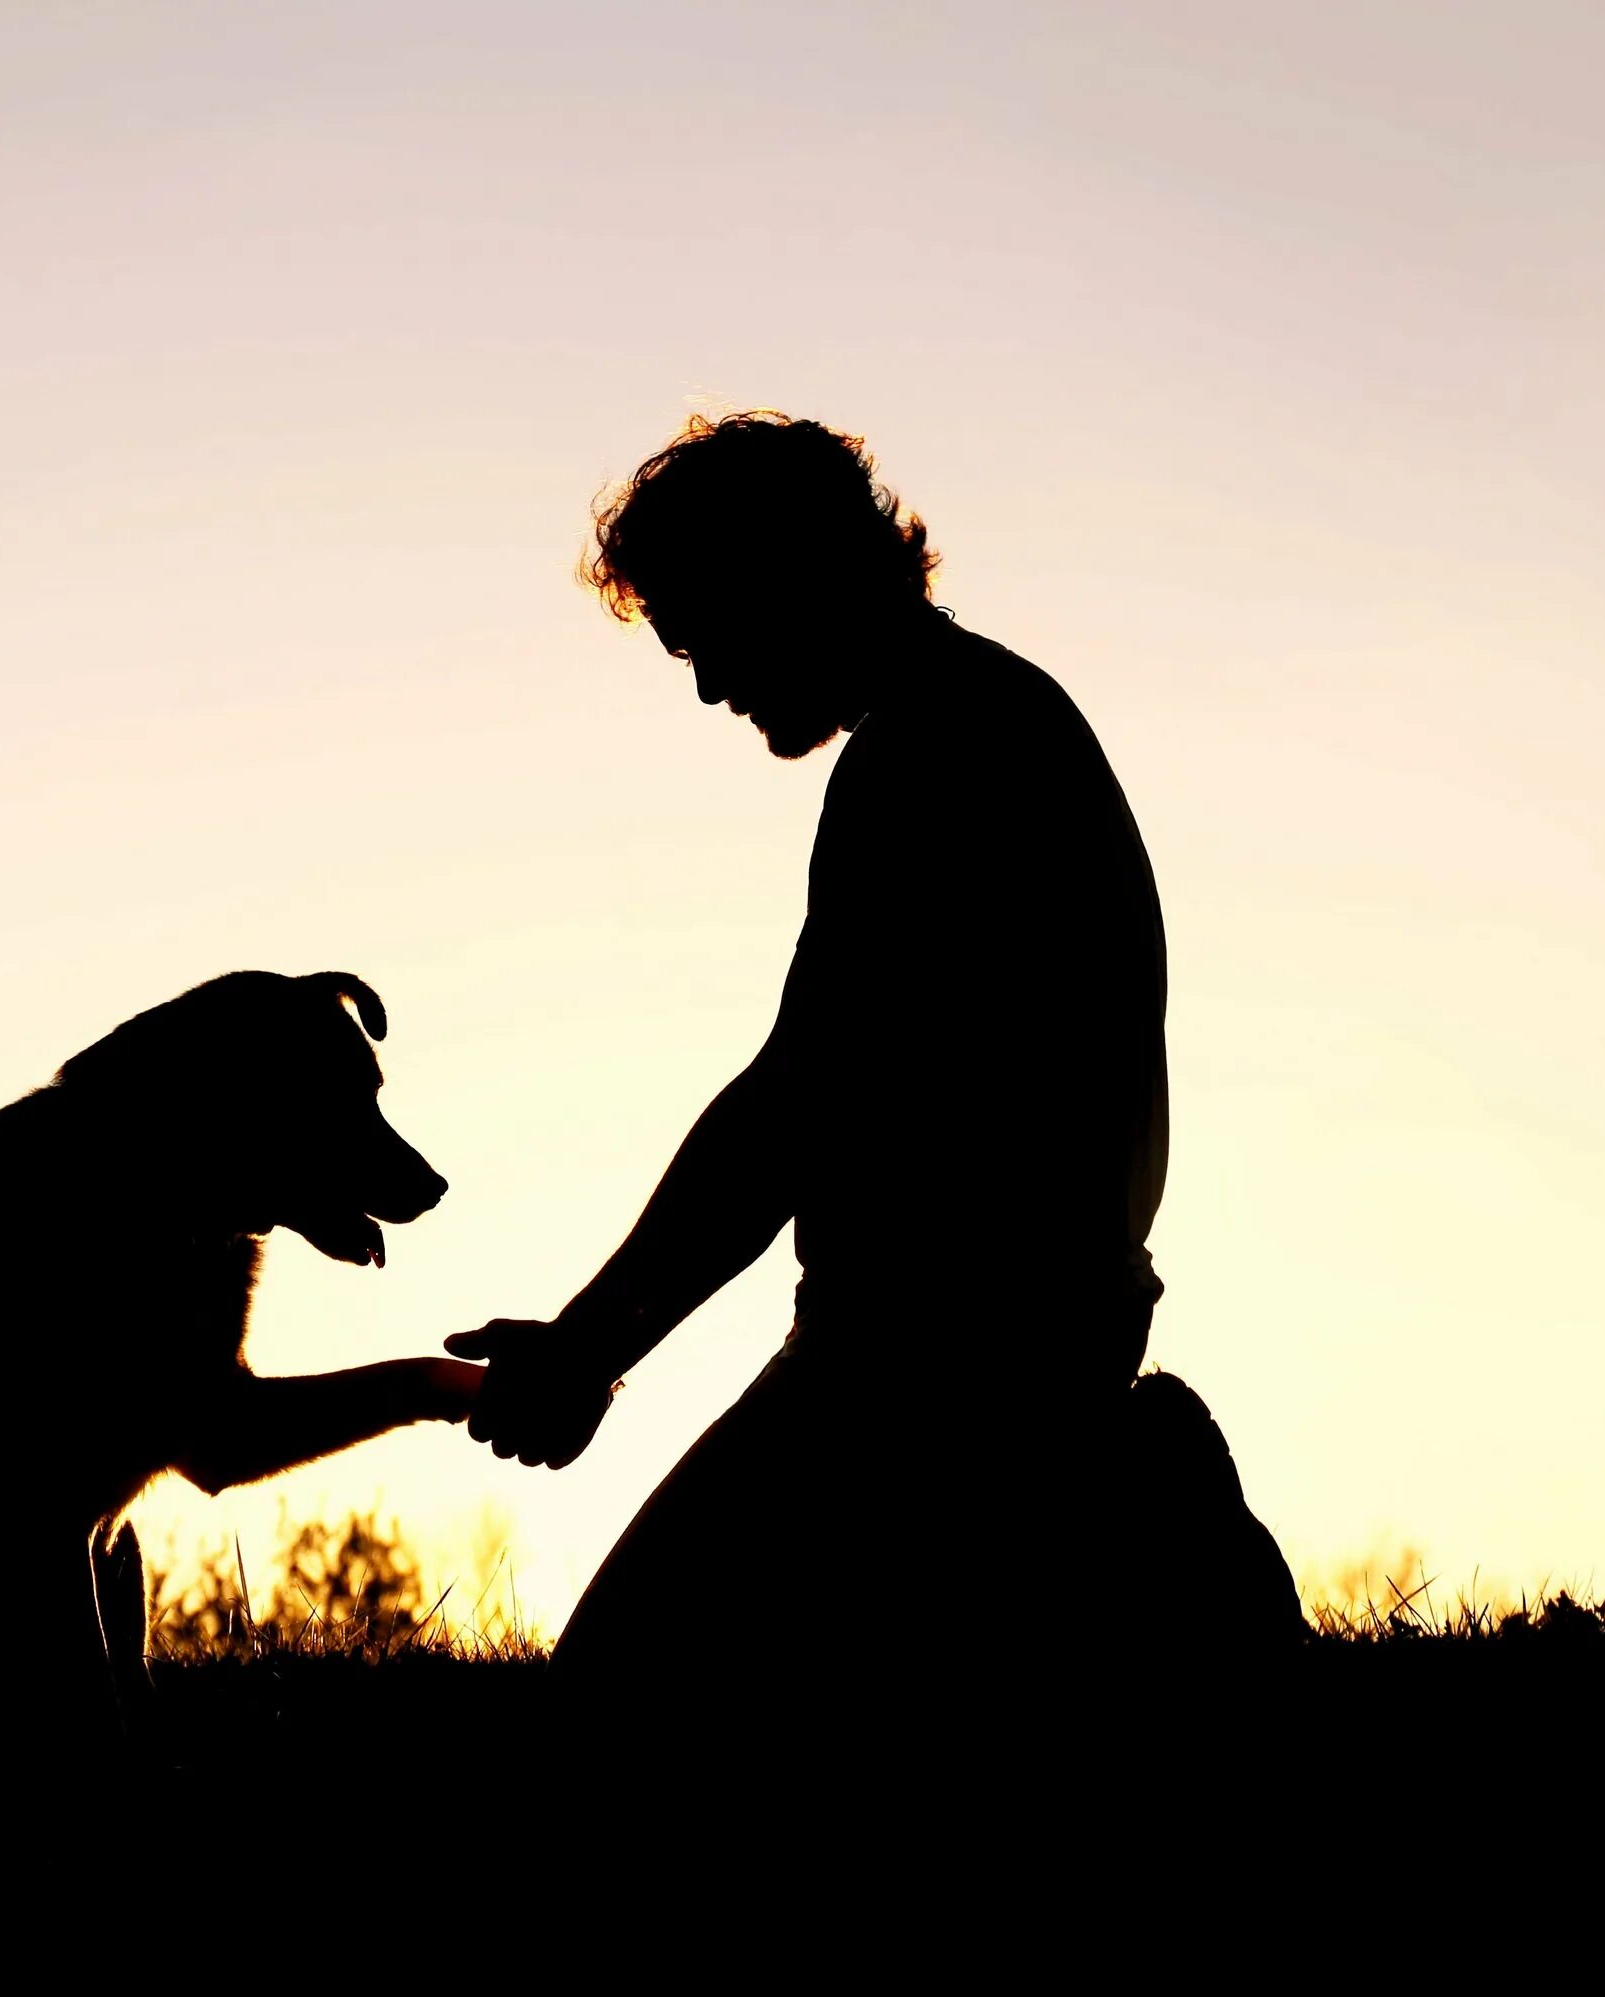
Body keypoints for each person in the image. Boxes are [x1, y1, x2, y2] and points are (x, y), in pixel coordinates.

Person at [449, 414, 1291, 1748]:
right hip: (1024, 1340)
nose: (708, 685)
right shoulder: (1000, 717)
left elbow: (795, 1103)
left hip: (925, 1377)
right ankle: (1131, 1500)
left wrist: (590, 1347)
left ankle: (1144, 1506)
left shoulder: (929, 755)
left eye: (700, 630)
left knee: (614, 1711)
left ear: (782, 574)